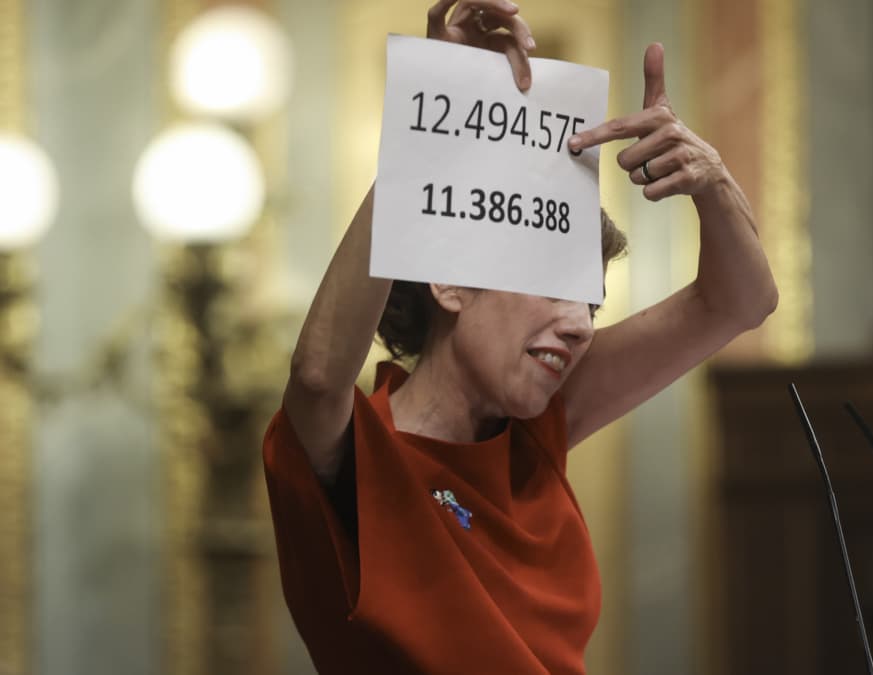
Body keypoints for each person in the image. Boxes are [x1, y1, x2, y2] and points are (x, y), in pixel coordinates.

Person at [262, 1, 778, 673]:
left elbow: (740, 301)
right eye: (552, 285)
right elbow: (316, 375)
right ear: (450, 284)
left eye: (590, 302)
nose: (579, 324)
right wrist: (439, 96)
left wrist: (713, 182)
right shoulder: (354, 450)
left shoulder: (536, 426)